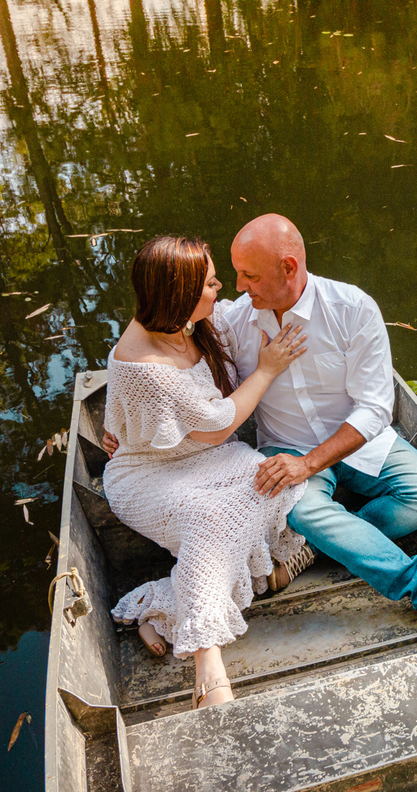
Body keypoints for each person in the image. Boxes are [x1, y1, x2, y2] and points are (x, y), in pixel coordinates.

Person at [218, 213, 417, 645]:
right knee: (304, 510)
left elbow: (375, 408)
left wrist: (310, 464)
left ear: (289, 268)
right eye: (237, 273)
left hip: (357, 441)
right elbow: (166, 346)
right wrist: (121, 426)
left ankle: (314, 546)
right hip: (285, 448)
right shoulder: (234, 322)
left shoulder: (352, 308)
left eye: (250, 275)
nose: (239, 286)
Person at [100, 235, 308, 710]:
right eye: (211, 283)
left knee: (271, 474)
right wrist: (269, 367)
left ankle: (162, 603)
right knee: (209, 522)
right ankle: (207, 660)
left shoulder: (184, 320)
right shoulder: (145, 363)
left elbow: (211, 436)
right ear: (180, 292)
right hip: (148, 475)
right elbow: (216, 427)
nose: (221, 288)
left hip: (203, 457)